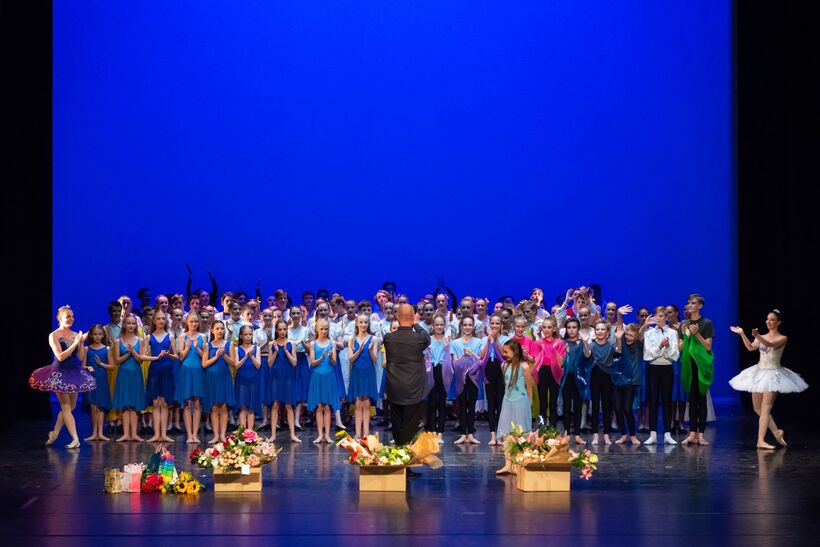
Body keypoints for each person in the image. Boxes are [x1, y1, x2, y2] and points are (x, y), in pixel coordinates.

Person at [730, 310, 808, 449]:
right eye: (767, 319)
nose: (769, 322)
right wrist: (742, 333)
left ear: (778, 322)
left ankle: (761, 440)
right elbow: (750, 347)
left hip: (773, 375)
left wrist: (757, 335)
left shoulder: (782, 338)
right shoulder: (762, 336)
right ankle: (777, 432)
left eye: (772, 320)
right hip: (758, 373)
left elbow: (770, 345)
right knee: (757, 408)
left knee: (765, 409)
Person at [30, 306, 95, 448]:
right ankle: (75, 439)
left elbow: (80, 357)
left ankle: (54, 434)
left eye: (72, 316)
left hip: (73, 372)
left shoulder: (74, 335)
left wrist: (81, 342)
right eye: (68, 316)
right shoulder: (54, 335)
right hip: (59, 373)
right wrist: (76, 342)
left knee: (70, 407)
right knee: (65, 407)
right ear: (60, 318)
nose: (71, 319)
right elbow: (60, 356)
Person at [383, 304, 431, 447]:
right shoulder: (419, 338)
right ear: (413, 317)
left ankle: (400, 457)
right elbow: (426, 337)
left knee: (397, 424)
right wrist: (415, 324)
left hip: (395, 387)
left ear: (397, 317)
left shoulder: (388, 338)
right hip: (413, 388)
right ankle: (406, 461)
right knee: (410, 425)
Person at [641, 307, 681, 445]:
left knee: (667, 401)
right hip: (653, 368)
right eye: (656, 316)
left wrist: (668, 347)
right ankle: (652, 434)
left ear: (666, 317)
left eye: (662, 316)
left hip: (667, 368)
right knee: (652, 401)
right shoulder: (649, 333)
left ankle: (667, 434)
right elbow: (647, 355)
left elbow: (675, 356)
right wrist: (660, 347)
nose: (659, 318)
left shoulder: (673, 333)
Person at [679, 294, 714, 446]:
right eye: (689, 303)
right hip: (688, 364)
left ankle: (701, 434)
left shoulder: (706, 323)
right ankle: (692, 434)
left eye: (693, 303)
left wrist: (696, 334)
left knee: (701, 399)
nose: (690, 305)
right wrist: (683, 335)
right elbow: (681, 347)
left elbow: (708, 346)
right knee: (691, 401)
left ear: (700, 306)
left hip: (701, 365)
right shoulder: (684, 323)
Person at [495, 339, 534, 475]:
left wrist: (529, 406)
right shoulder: (503, 366)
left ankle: (518, 463)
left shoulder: (524, 367)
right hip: (507, 402)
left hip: (521, 402)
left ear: (515, 352)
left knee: (520, 434)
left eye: (506, 352)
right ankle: (508, 464)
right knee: (507, 434)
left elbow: (529, 388)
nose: (504, 354)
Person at [583, 320, 623, 445]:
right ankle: (595, 435)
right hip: (595, 377)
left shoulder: (611, 345)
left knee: (606, 406)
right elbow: (587, 355)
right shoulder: (592, 345)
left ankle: (606, 435)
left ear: (607, 332)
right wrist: (585, 342)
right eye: (598, 329)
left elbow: (619, 351)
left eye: (602, 329)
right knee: (595, 406)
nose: (600, 331)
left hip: (607, 378)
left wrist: (619, 339)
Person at [111, 314, 147, 442]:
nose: (131, 325)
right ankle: (126, 434)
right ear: (124, 325)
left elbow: (140, 360)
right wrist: (128, 353)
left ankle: (134, 434)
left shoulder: (140, 340)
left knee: (134, 405)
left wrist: (133, 352)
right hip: (124, 374)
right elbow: (117, 360)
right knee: (126, 406)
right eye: (128, 323)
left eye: (133, 323)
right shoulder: (117, 341)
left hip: (135, 373)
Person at [144, 310, 177, 443]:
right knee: (156, 403)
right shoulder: (148, 337)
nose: (161, 321)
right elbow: (142, 356)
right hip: (154, 371)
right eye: (158, 319)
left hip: (166, 371)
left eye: (163, 318)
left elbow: (176, 356)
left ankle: (163, 434)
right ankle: (156, 434)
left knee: (164, 403)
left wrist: (168, 354)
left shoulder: (170, 337)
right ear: (154, 321)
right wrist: (155, 357)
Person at [307, 319, 339, 444]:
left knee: (327, 407)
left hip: (329, 376)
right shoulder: (313, 344)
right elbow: (313, 362)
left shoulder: (332, 343)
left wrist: (331, 356)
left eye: (326, 329)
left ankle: (327, 435)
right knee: (320, 406)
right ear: (317, 329)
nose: (324, 331)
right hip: (317, 376)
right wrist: (322, 357)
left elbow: (334, 362)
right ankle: (320, 434)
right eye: (321, 329)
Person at [202, 321, 235, 444]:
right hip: (212, 378)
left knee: (224, 406)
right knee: (215, 407)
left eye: (222, 328)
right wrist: (216, 356)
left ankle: (222, 435)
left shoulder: (229, 344)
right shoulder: (208, 345)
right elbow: (204, 364)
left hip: (224, 377)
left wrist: (224, 355)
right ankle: (216, 435)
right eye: (217, 328)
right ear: (212, 330)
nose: (220, 331)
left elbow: (233, 362)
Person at [176, 314, 206, 444]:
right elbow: (181, 357)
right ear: (187, 322)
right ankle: (189, 434)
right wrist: (188, 347)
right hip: (186, 370)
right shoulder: (182, 336)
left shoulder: (203, 336)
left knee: (197, 403)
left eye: (196, 322)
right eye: (191, 321)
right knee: (187, 403)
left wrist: (198, 347)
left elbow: (205, 355)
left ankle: (195, 433)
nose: (194, 324)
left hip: (198, 370)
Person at [267, 320, 300, 442]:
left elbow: (294, 362)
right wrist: (275, 351)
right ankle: (273, 435)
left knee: (288, 405)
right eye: (280, 329)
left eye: (284, 329)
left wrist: (286, 351)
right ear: (276, 330)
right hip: (276, 377)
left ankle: (292, 434)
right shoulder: (272, 344)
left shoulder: (291, 344)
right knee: (275, 405)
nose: (282, 332)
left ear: (287, 330)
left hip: (288, 377)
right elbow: (269, 363)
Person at [348, 315, 379, 438]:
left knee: (366, 403)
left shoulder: (373, 339)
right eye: (361, 322)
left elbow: (375, 359)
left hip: (368, 372)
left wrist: (370, 350)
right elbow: (351, 359)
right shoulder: (352, 339)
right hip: (357, 372)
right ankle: (357, 433)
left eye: (366, 322)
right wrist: (359, 350)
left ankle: (366, 433)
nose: (363, 325)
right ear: (356, 323)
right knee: (357, 403)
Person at [612, 324, 643, 445]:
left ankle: (633, 435)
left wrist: (644, 325)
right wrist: (619, 338)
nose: (628, 337)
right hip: (618, 379)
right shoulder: (622, 342)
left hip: (631, 381)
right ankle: (624, 435)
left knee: (627, 409)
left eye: (631, 335)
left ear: (636, 337)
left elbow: (641, 334)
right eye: (627, 335)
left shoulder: (638, 345)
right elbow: (619, 351)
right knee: (618, 409)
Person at [83, 324, 113, 441]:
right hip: (91, 380)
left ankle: (100, 433)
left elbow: (111, 366)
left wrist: (101, 364)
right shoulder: (87, 349)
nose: (97, 336)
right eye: (95, 334)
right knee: (93, 406)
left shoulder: (107, 349)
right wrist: (88, 367)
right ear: (91, 335)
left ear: (103, 335)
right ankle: (94, 433)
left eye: (100, 334)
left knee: (101, 406)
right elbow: (83, 365)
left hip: (102, 380)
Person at [233, 325, 262, 431]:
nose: (248, 337)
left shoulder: (256, 348)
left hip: (253, 378)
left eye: (250, 334)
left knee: (251, 407)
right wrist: (245, 356)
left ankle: (250, 431)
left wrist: (252, 356)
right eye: (245, 334)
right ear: (241, 336)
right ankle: (242, 431)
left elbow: (258, 365)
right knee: (242, 406)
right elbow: (236, 366)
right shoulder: (237, 349)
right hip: (241, 379)